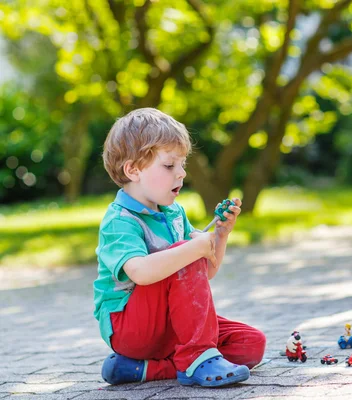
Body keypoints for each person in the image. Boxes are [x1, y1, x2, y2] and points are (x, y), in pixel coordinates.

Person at [93, 108, 266, 387]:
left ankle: (144, 370)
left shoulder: (174, 214)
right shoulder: (119, 220)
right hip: (131, 328)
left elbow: (204, 273)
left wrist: (219, 236)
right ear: (133, 170)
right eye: (170, 165)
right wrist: (193, 247)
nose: (182, 173)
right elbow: (141, 273)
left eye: (182, 164)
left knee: (250, 344)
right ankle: (196, 357)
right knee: (186, 249)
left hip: (170, 325)